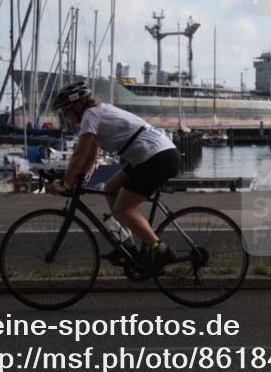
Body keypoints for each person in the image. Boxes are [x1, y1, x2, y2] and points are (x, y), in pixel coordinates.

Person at [46, 81, 179, 268]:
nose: (65, 116)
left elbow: (79, 154)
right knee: (110, 188)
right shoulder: (97, 112)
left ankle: (160, 249)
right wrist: (79, 179)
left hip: (156, 157)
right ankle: (128, 245)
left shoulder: (90, 114)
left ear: (77, 106)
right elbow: (91, 154)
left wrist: (66, 183)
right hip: (150, 155)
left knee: (123, 209)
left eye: (65, 111)